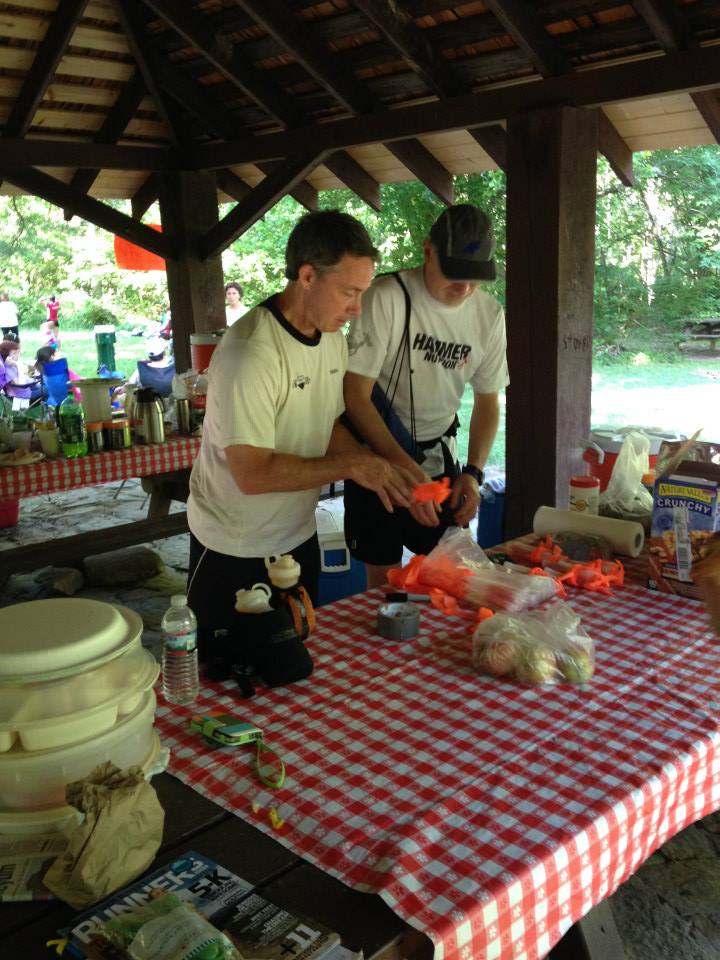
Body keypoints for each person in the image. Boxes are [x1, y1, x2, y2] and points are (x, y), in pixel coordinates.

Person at [186, 210, 414, 660]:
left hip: (296, 537)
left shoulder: (330, 339)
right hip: (234, 545)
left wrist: (374, 467)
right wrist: (352, 466)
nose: (357, 308)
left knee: (294, 663)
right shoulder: (252, 352)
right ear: (307, 276)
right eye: (349, 292)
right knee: (228, 675)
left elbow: (326, 425)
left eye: (362, 292)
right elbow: (252, 474)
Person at [343, 203, 509, 588]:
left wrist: (473, 472)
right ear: (428, 250)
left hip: (437, 455)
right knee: (384, 581)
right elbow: (355, 396)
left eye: (474, 278)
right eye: (454, 274)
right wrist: (407, 472)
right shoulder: (387, 297)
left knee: (447, 576)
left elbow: (488, 401)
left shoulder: (488, 315)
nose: (464, 289)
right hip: (377, 453)